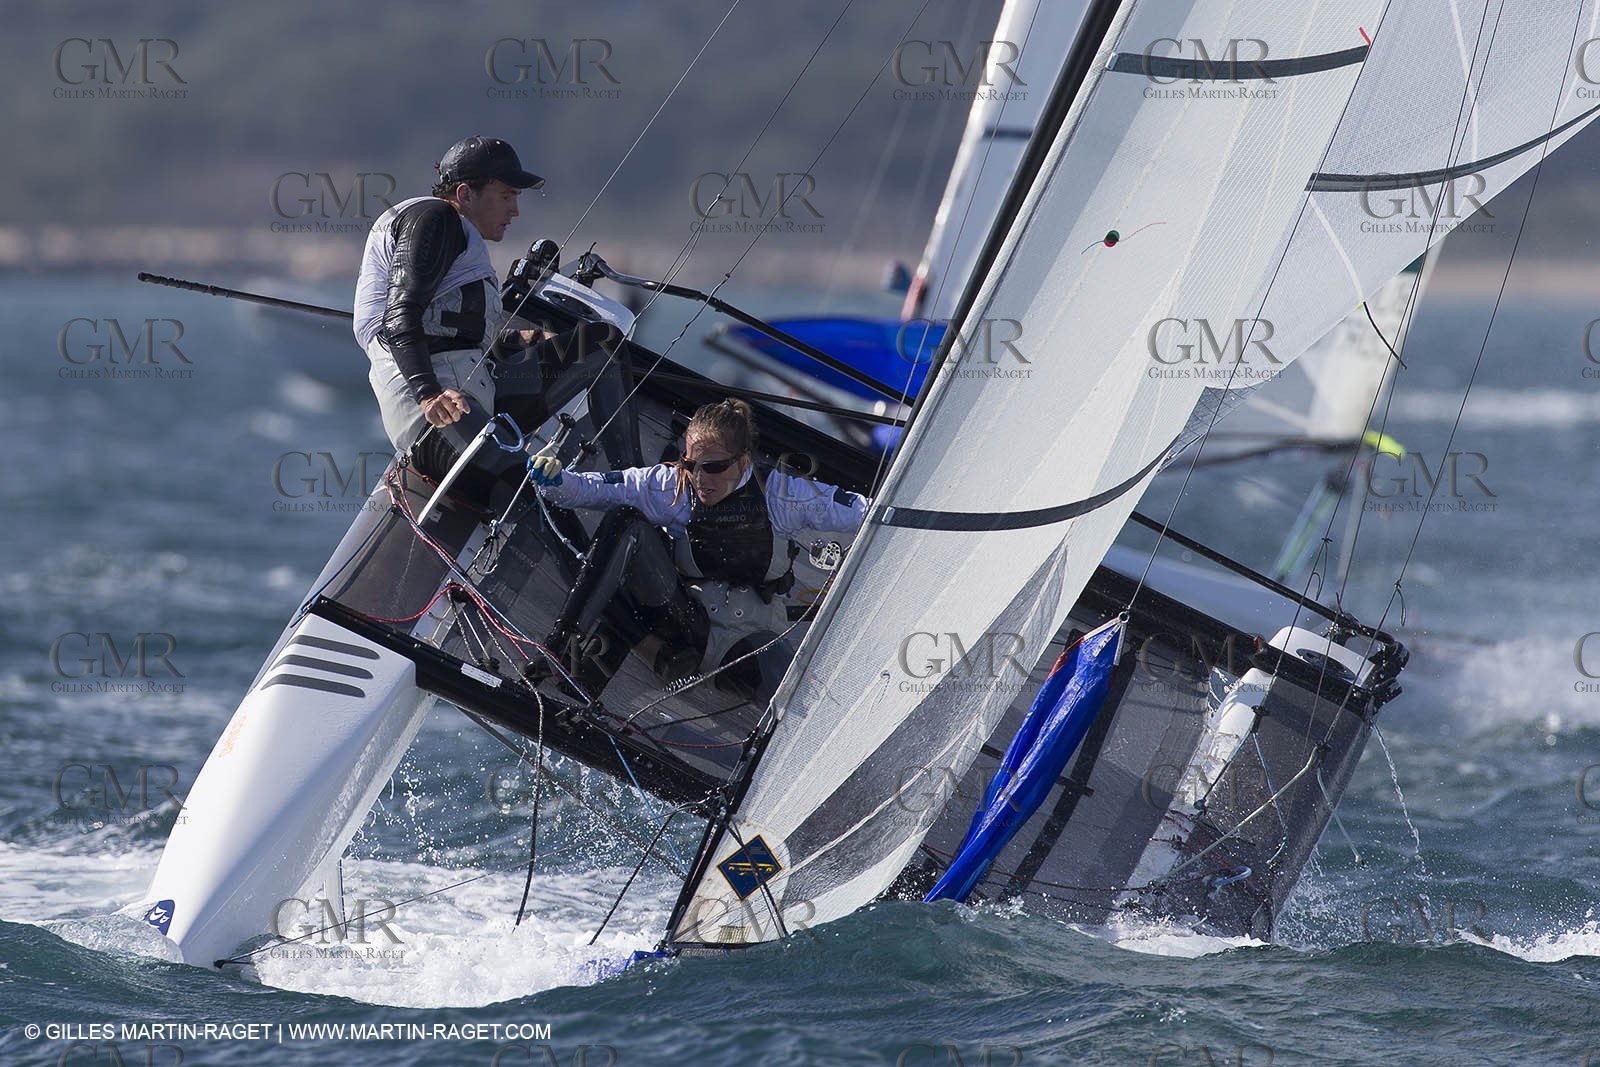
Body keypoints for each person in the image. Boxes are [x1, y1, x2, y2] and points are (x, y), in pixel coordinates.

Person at [353, 135, 638, 512]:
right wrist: (428, 394)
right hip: (437, 415)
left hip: (477, 387)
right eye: (506, 196)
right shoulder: (436, 219)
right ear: (465, 194)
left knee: (602, 344)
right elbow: (400, 315)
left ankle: (632, 484)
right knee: (532, 498)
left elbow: (451, 332)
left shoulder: (456, 236)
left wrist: (530, 340)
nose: (515, 210)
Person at [529, 398, 868, 705]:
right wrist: (555, 480)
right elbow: (588, 490)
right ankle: (559, 651)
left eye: (713, 467)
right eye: (691, 464)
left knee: (794, 700)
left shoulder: (781, 495)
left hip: (750, 631)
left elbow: (863, 512)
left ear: (743, 461)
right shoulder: (669, 485)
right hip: (689, 620)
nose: (700, 478)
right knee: (624, 522)